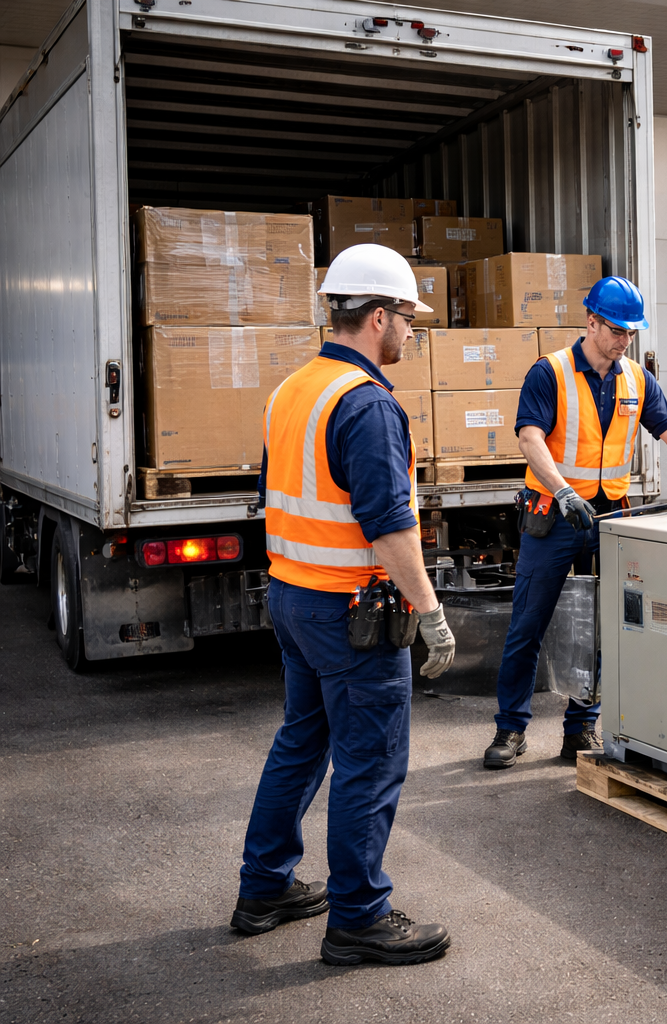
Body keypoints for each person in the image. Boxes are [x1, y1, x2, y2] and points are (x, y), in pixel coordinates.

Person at [229, 243, 458, 967]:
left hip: (294, 595)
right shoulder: (366, 405)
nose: (412, 334)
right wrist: (430, 612)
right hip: (351, 613)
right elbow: (388, 526)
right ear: (378, 317)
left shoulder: (294, 388)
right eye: (408, 321)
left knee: (303, 739)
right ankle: (359, 917)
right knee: (370, 760)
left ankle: (264, 888)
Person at [484, 276, 667, 770]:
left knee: (606, 627)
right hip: (552, 517)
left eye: (631, 333)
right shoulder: (549, 373)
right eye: (617, 330)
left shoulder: (636, 379)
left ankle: (581, 729)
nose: (624, 340)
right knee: (527, 627)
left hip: (609, 518)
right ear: (591, 322)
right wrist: (562, 491)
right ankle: (510, 730)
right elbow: (530, 439)